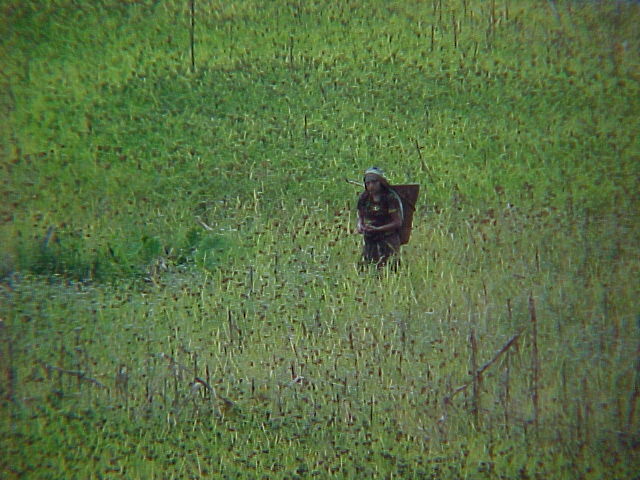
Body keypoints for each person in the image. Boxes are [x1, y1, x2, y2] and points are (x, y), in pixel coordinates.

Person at [356, 167, 403, 270]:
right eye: (368, 183)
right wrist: (361, 226)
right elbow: (360, 215)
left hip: (388, 238)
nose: (371, 186)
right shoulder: (364, 198)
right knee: (367, 267)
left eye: (374, 182)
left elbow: (397, 222)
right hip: (370, 238)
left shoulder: (389, 198)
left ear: (381, 182)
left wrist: (379, 229)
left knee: (390, 268)